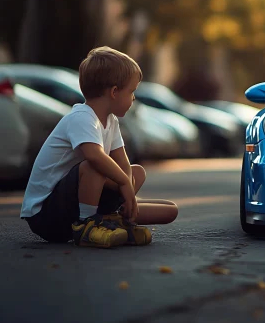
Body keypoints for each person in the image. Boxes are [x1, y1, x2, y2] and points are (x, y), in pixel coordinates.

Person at [20, 47, 179, 248]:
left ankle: (114, 219)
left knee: (165, 205)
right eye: (132, 91)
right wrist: (123, 183)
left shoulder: (111, 121)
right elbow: (94, 157)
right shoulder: (82, 117)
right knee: (95, 165)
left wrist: (128, 188)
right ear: (114, 92)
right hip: (46, 215)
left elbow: (123, 161)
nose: (133, 98)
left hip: (75, 202)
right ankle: (86, 226)